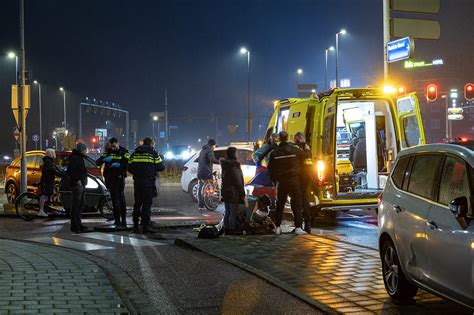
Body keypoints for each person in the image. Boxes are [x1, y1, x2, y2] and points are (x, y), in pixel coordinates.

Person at [268, 131, 306, 235]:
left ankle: (278, 227)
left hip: (282, 182)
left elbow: (270, 168)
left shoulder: (275, 153)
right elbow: (305, 156)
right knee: (296, 204)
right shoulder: (294, 150)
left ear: (279, 139)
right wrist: (302, 144)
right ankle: (298, 227)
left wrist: (274, 180)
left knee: (280, 205)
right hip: (294, 180)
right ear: (287, 138)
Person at [129, 137, 165, 233]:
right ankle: (145, 226)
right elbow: (161, 167)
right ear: (151, 144)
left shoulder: (135, 153)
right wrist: (151, 169)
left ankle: (135, 226)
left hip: (137, 181)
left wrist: (137, 173)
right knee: (146, 204)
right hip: (148, 182)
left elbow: (129, 166)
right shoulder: (153, 153)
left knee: (137, 203)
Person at [96, 138, 130, 227]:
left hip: (119, 178)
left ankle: (124, 221)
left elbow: (127, 164)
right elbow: (98, 162)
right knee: (114, 200)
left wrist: (120, 166)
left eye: (114, 146)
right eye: (112, 146)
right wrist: (104, 160)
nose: (113, 148)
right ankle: (117, 221)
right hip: (110, 178)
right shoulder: (108, 152)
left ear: (117, 143)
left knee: (121, 199)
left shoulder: (124, 151)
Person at [220, 147, 245, 235]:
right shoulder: (234, 165)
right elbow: (238, 181)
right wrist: (242, 194)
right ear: (234, 154)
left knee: (227, 211)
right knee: (233, 213)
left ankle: (226, 229)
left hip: (226, 191)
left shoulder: (225, 164)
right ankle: (231, 230)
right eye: (237, 153)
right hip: (233, 191)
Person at [67, 143, 89, 233]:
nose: (86, 151)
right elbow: (71, 171)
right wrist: (77, 181)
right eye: (85, 150)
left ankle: (78, 223)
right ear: (82, 150)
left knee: (80, 204)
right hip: (77, 185)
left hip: (81, 184)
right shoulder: (75, 158)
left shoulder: (79, 157)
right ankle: (75, 225)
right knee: (76, 205)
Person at [294, 132, 313, 234]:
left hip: (300, 177)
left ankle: (302, 225)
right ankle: (306, 225)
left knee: (300, 201)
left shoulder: (299, 148)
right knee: (303, 199)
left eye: (296, 138)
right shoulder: (307, 148)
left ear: (299, 138)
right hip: (306, 177)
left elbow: (299, 157)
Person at [38, 149, 63, 217]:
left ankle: (48, 210)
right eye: (54, 153)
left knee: (48, 195)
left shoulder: (49, 161)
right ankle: (41, 210)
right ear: (51, 154)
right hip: (47, 181)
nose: (55, 154)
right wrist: (60, 174)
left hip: (48, 181)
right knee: (44, 195)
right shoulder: (48, 162)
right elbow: (51, 171)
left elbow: (53, 169)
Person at [197, 139, 220, 210]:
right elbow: (212, 159)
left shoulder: (202, 150)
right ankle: (209, 203)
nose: (214, 147)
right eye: (214, 146)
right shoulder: (210, 150)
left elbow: (199, 160)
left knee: (201, 188)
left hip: (200, 172)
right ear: (213, 145)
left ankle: (201, 205)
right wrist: (220, 162)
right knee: (211, 187)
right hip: (206, 172)